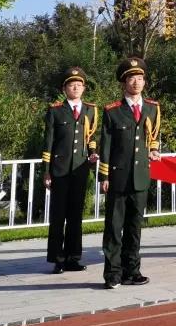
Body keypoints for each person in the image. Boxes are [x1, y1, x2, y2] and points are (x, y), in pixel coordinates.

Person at [98, 57, 161, 289]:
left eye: (140, 78)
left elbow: (153, 135)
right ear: (124, 83)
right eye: (132, 78)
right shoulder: (112, 111)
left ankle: (132, 271)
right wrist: (104, 176)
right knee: (114, 229)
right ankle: (112, 274)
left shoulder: (152, 108)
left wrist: (153, 150)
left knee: (134, 228)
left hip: (140, 177)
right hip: (118, 177)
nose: (136, 82)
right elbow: (105, 146)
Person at [42, 66, 99, 273]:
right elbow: (48, 142)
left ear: (84, 88)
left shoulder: (91, 110)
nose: (75, 88)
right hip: (59, 169)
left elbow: (91, 137)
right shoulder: (56, 110)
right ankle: (58, 259)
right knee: (58, 216)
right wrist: (46, 171)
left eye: (79, 85)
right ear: (64, 89)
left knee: (76, 216)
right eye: (71, 85)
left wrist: (93, 154)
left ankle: (73, 258)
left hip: (79, 169)